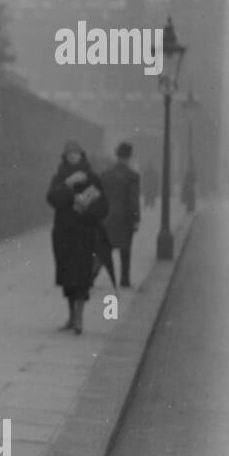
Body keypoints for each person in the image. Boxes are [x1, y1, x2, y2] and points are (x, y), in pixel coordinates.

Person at [46, 140, 108, 335]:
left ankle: (79, 318)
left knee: (81, 275)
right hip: (64, 232)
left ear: (82, 155)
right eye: (70, 153)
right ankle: (71, 315)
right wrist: (67, 185)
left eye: (76, 153)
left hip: (84, 232)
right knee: (67, 276)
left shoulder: (92, 177)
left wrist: (87, 210)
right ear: (65, 156)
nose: (73, 156)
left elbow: (103, 205)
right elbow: (52, 199)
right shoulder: (60, 177)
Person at [100, 142, 141, 288]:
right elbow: (133, 200)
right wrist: (136, 219)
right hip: (124, 218)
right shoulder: (132, 176)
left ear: (117, 155)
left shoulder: (105, 174)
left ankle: (90, 276)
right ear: (129, 156)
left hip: (106, 217)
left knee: (104, 249)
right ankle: (124, 280)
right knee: (125, 249)